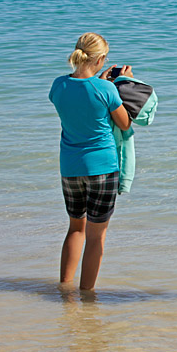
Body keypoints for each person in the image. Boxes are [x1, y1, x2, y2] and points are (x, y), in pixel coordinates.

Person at [49, 32, 133, 291]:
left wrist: (99, 80)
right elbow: (125, 122)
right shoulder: (106, 89)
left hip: (70, 167)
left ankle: (65, 288)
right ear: (102, 59)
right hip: (102, 169)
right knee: (96, 236)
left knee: (75, 228)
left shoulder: (58, 86)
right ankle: (86, 295)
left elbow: (82, 93)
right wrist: (125, 84)